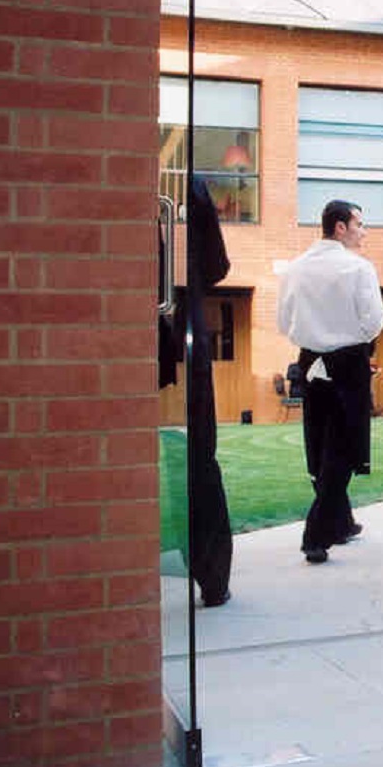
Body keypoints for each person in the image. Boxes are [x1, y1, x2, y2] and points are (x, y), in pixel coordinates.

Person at [277, 200, 383, 564]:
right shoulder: (358, 268)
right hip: (348, 363)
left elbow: (283, 322)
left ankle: (342, 521)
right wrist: (349, 338)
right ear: (340, 227)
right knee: (343, 449)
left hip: (309, 363)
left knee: (320, 445)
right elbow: (374, 322)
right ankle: (317, 533)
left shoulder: (294, 269)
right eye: (359, 223)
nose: (364, 231)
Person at [160, 176, 234, 606]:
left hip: (175, 333)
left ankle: (211, 575)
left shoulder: (177, 186)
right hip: (185, 335)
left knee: (195, 460)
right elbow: (218, 265)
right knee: (199, 459)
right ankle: (212, 576)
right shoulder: (190, 185)